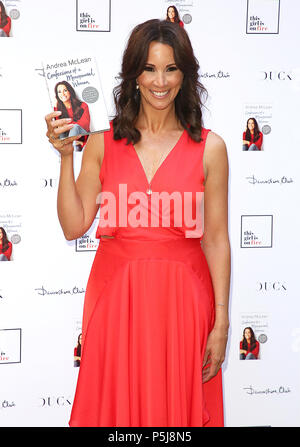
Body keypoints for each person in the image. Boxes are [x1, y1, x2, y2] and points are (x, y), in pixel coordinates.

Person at [45, 19, 230, 427]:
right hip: (116, 301)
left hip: (184, 304)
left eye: (170, 68)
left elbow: (216, 241)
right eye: (149, 69)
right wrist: (65, 157)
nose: (160, 81)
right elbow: (73, 225)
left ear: (185, 74)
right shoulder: (101, 141)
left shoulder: (211, 148)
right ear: (134, 75)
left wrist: (221, 321)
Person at [54, 80, 90, 151]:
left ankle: (68, 151)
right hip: (69, 140)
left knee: (75, 127)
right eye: (59, 92)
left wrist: (66, 126)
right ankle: (65, 152)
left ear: (70, 91)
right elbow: (59, 127)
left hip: (83, 138)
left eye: (65, 90)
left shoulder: (83, 105)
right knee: (61, 131)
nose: (62, 94)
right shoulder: (57, 109)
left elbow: (85, 125)